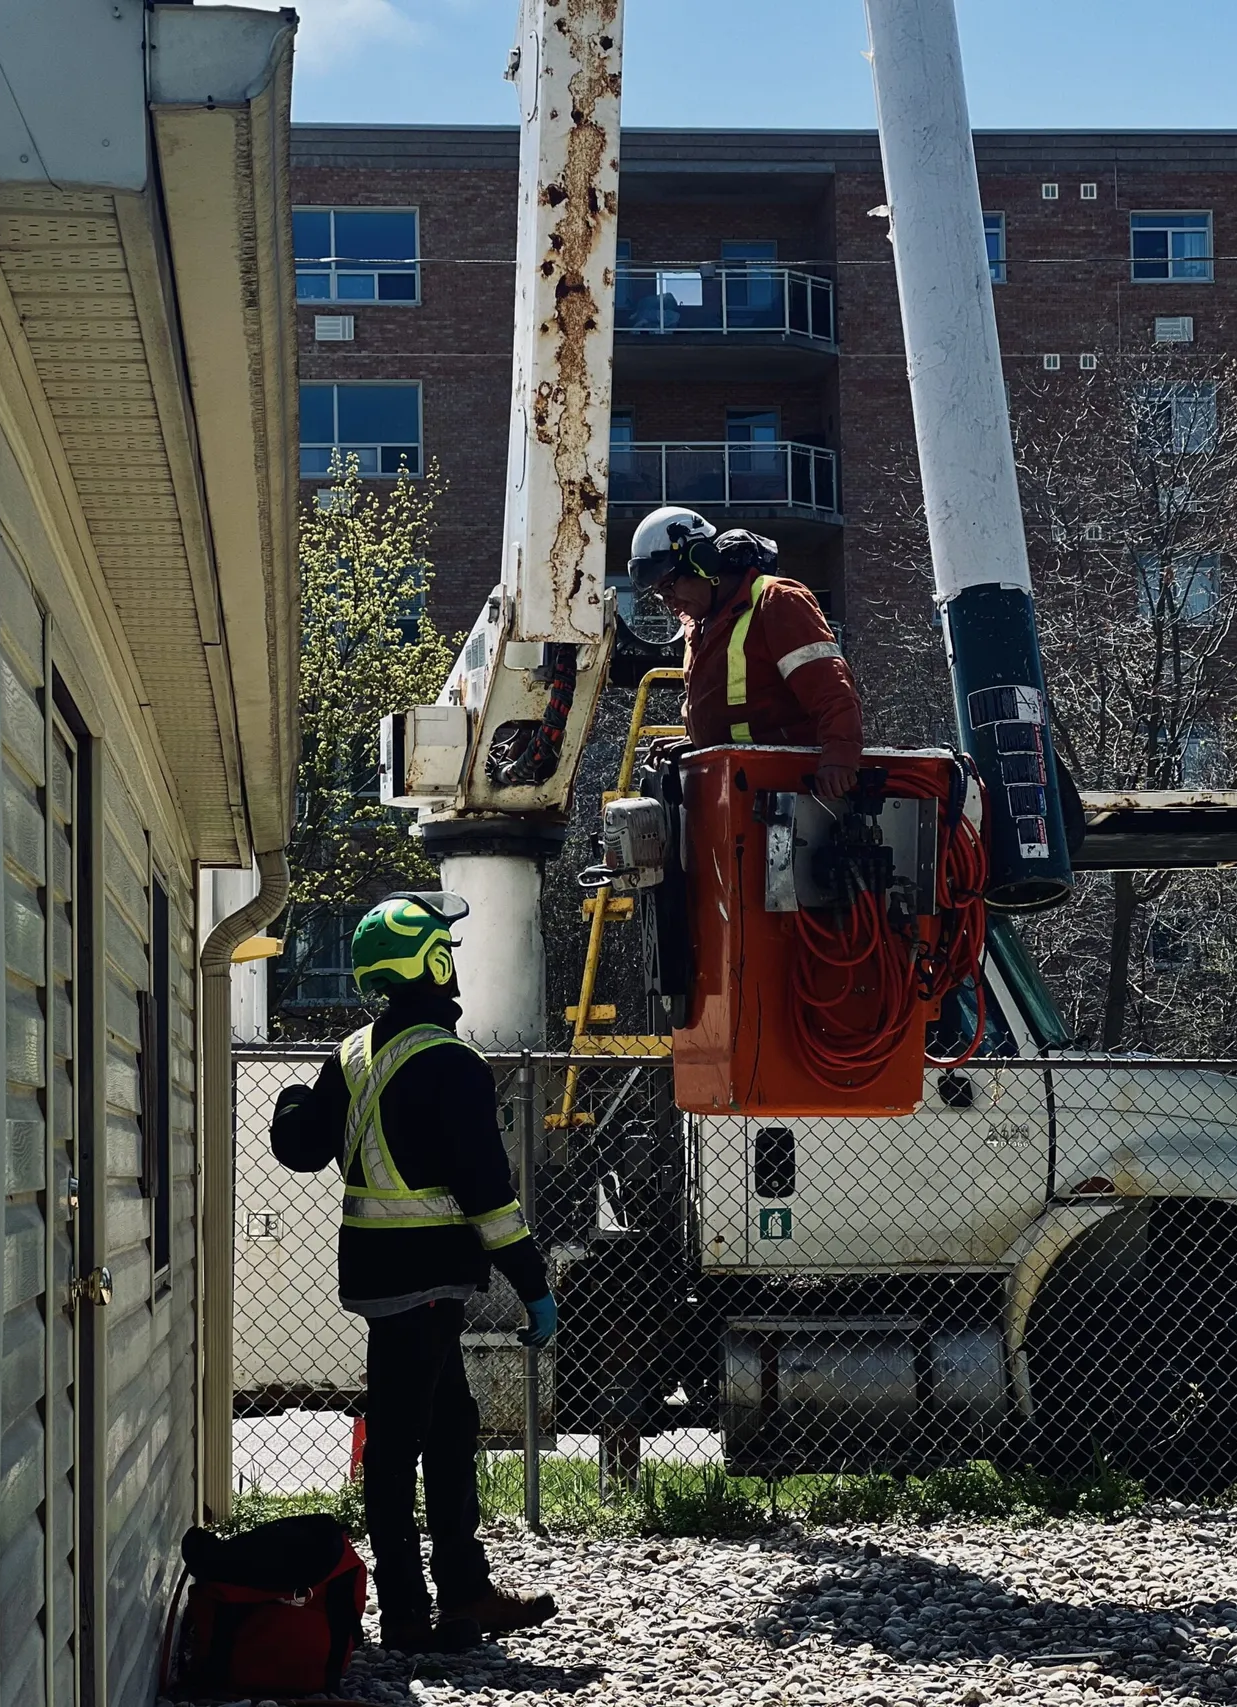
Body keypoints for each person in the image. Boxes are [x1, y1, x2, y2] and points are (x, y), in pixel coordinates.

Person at [270, 893, 558, 1655]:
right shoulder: (452, 1064)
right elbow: (489, 1193)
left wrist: (295, 1098)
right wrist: (532, 1283)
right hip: (428, 1279)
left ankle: (464, 1588)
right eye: (446, 946)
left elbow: (300, 1147)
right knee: (402, 1441)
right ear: (431, 962)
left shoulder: (353, 1053)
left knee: (446, 1425)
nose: (454, 960)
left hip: (382, 1277)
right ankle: (406, 1613)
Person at [627, 505, 864, 797]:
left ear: (703, 562)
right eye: (659, 593)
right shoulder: (700, 625)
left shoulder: (778, 602)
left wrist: (839, 759)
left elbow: (832, 689)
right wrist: (694, 744)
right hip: (736, 785)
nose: (667, 600)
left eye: (669, 585)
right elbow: (734, 709)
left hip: (788, 786)